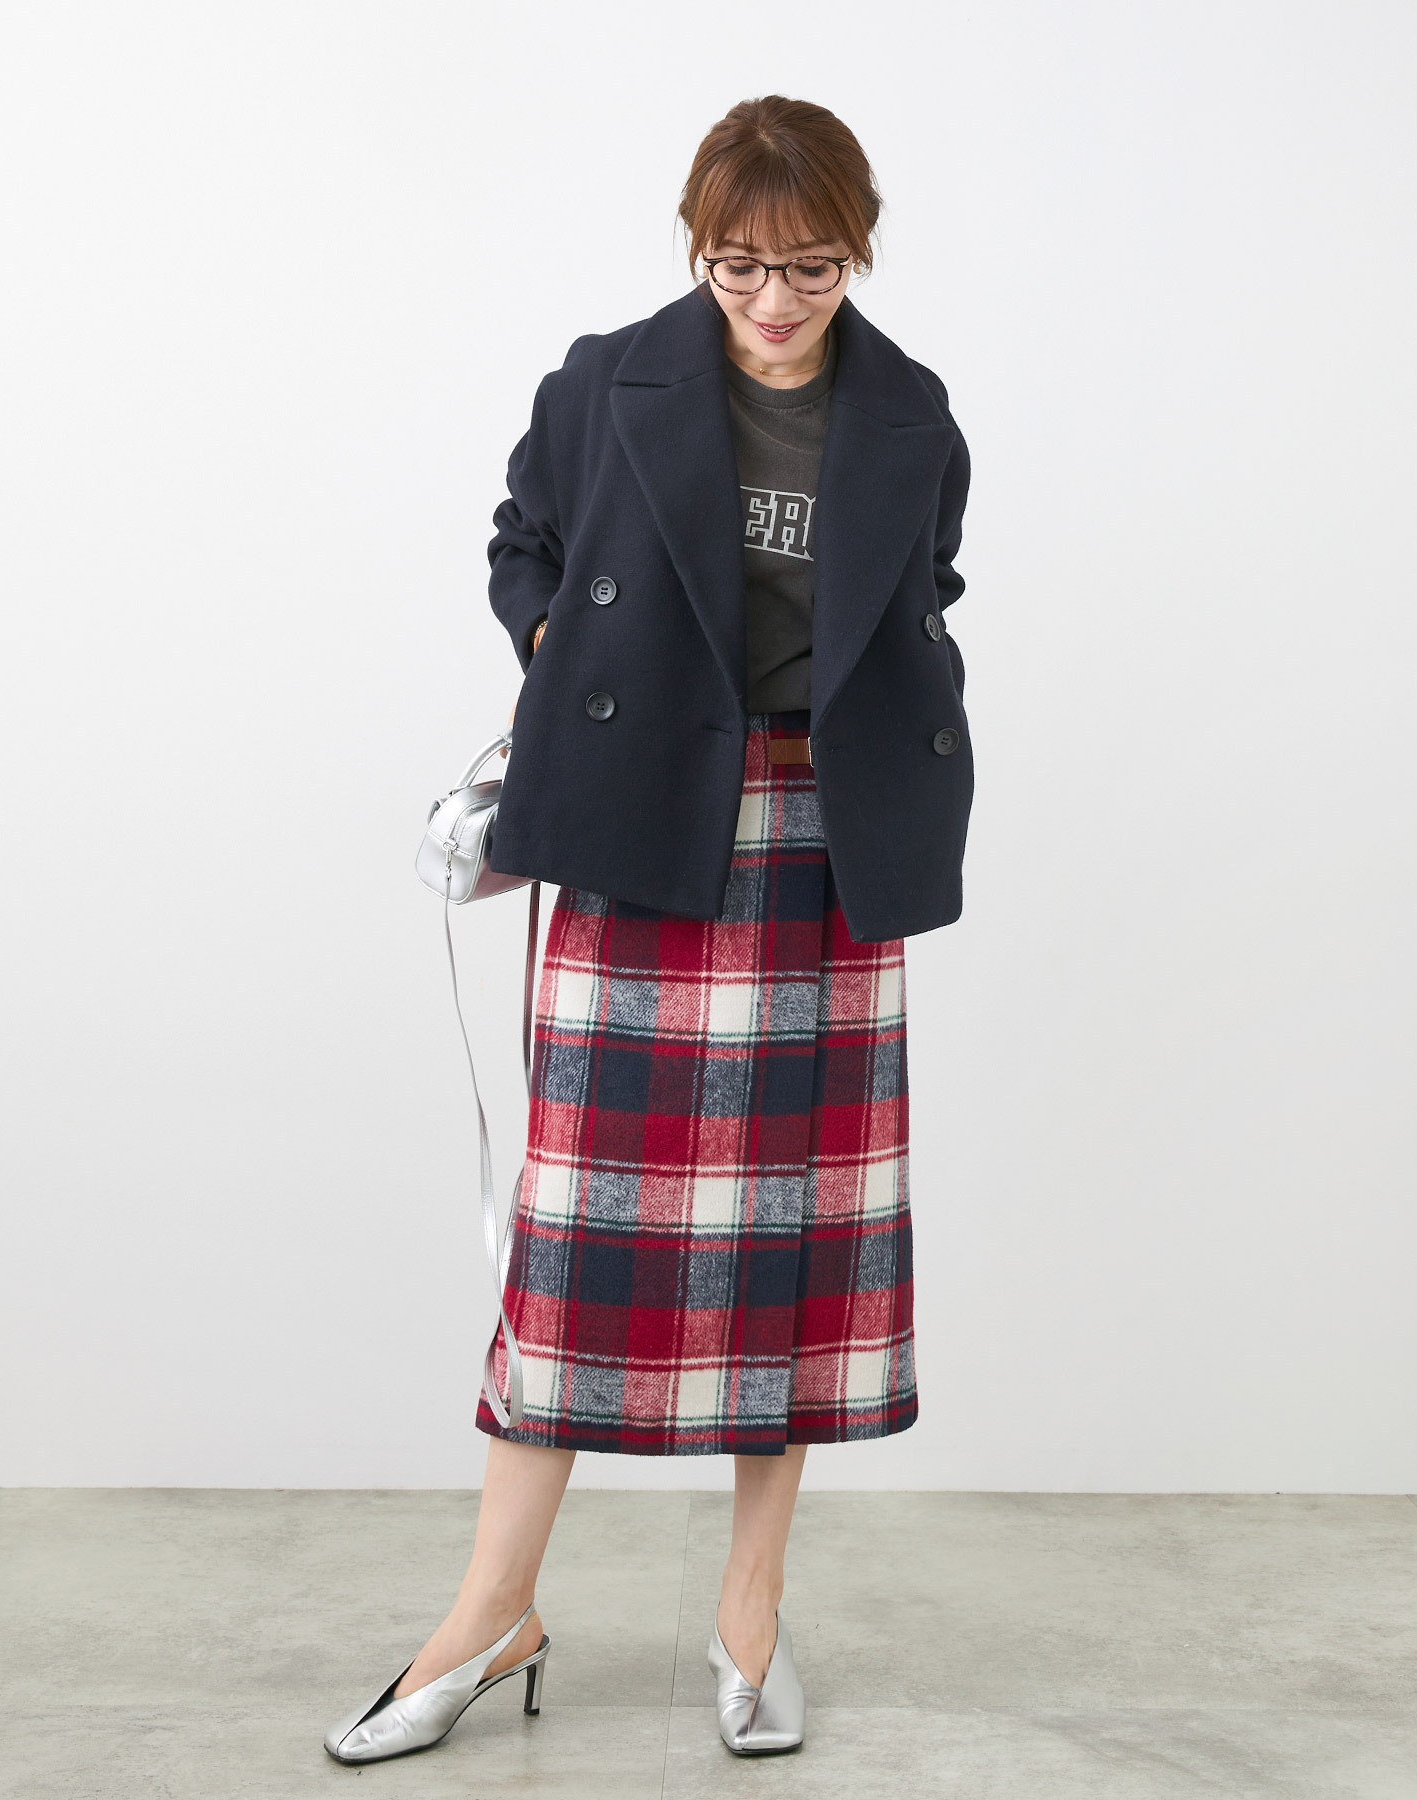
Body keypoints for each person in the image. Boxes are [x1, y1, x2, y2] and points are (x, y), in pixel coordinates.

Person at [325, 92, 972, 1765]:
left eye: (811, 268)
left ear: (858, 254)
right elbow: (523, 541)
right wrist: (556, 646)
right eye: (739, 265)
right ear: (698, 249)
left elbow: (928, 587)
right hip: (642, 822)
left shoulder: (909, 412)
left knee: (798, 1247)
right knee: (573, 1244)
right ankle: (492, 1611)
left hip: (826, 840)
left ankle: (750, 1614)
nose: (773, 300)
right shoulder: (609, 379)